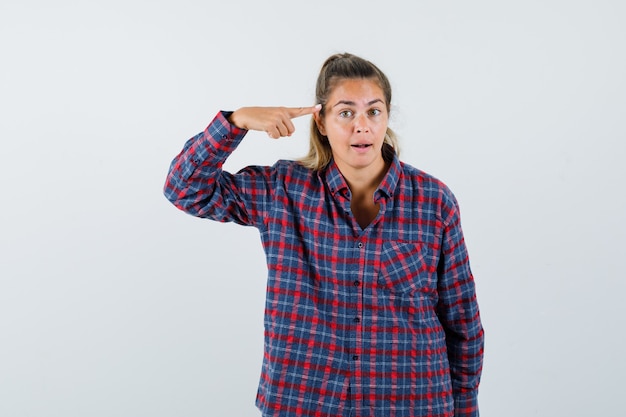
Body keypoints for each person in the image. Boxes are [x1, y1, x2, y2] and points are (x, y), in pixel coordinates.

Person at [163, 52, 484, 417]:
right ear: (322, 122)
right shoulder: (283, 190)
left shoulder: (433, 201)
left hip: (410, 401)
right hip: (305, 401)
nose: (361, 126)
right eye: (346, 112)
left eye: (373, 111)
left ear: (387, 117)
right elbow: (184, 188)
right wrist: (235, 122)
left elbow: (462, 322)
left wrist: (465, 408)